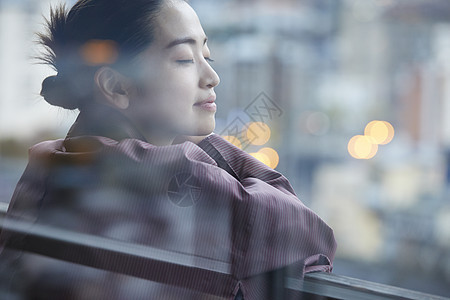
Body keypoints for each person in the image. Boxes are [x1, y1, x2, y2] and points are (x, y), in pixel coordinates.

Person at [0, 0, 337, 299]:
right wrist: (198, 145)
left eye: (206, 55)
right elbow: (309, 235)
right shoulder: (166, 173)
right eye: (183, 59)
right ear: (116, 85)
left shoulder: (55, 157)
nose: (212, 76)